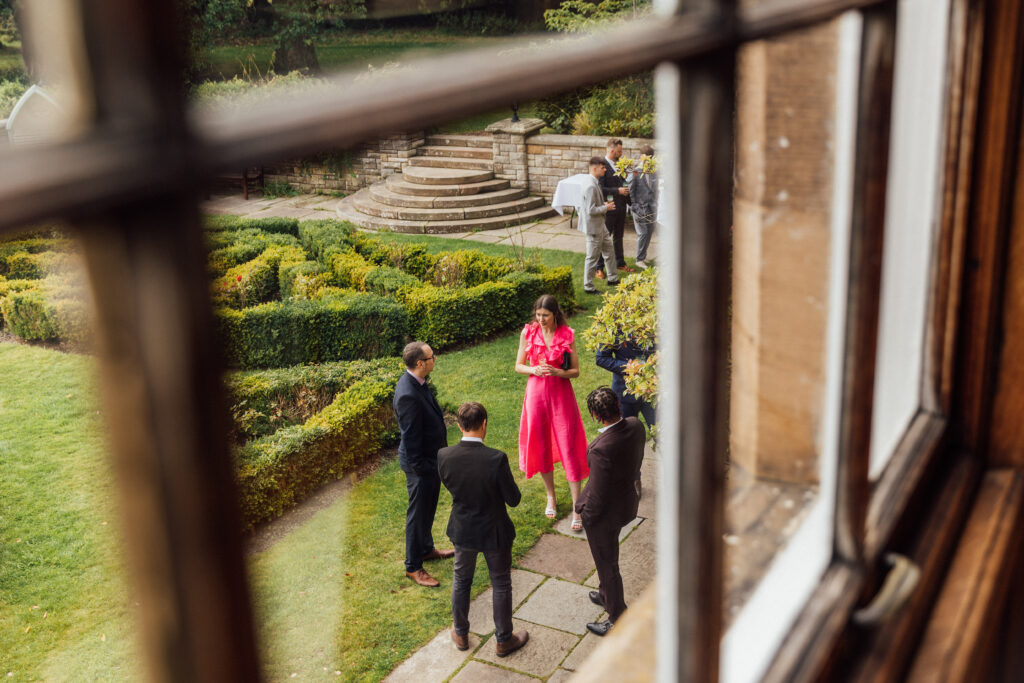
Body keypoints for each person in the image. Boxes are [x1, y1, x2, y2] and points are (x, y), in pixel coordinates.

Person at [438, 402, 529, 657]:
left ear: (459, 425)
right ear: (485, 424)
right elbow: (513, 499)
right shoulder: (496, 459)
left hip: (463, 529)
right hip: (494, 532)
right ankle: (503, 639)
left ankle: (461, 633)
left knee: (461, 581)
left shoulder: (444, 456)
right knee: (500, 583)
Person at [515, 294, 590, 531]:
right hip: (536, 394)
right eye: (538, 315)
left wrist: (558, 373)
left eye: (545, 315)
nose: (541, 319)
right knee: (541, 444)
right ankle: (551, 496)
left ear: (555, 314)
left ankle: (578, 505)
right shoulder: (528, 333)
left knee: (568, 444)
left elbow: (576, 371)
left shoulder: (568, 335)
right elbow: (518, 366)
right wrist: (534, 369)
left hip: (561, 396)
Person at [575, 386, 646, 636]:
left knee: (608, 566)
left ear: (595, 415)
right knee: (609, 563)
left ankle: (617, 616)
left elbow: (598, 493)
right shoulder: (636, 426)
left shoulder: (601, 449)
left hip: (606, 515)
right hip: (627, 502)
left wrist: (584, 514)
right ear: (618, 405)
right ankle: (605, 594)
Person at [393, 341, 453, 587]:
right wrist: (422, 468)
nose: (434, 359)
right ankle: (413, 566)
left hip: (431, 460)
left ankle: (427, 549)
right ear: (420, 363)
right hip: (421, 465)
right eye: (431, 357)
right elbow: (410, 437)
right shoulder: (407, 394)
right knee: (417, 514)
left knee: (427, 508)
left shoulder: (417, 382)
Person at [596, 335, 655, 498]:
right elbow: (601, 358)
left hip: (653, 392)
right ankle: (634, 480)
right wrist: (628, 367)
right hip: (624, 392)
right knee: (626, 442)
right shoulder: (613, 325)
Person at [580, 156, 620, 295]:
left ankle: (613, 279)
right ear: (595, 168)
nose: (605, 170)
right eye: (603, 168)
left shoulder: (594, 182)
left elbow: (592, 205)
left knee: (609, 251)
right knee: (592, 257)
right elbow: (590, 210)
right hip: (594, 228)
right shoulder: (590, 185)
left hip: (600, 225)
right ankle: (588, 287)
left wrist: (603, 205)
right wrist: (606, 208)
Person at [595, 137, 632, 279]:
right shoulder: (602, 166)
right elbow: (600, 189)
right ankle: (599, 267)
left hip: (621, 208)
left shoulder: (620, 165)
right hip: (609, 209)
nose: (621, 154)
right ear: (612, 151)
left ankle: (620, 263)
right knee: (605, 238)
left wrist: (630, 203)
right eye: (619, 151)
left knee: (619, 237)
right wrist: (617, 191)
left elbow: (625, 184)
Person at [628, 144, 658, 269]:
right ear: (641, 157)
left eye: (650, 158)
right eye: (646, 158)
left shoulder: (653, 172)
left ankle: (643, 257)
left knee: (649, 232)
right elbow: (630, 191)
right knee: (643, 233)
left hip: (651, 208)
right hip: (638, 208)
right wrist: (635, 207)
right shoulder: (635, 172)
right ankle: (639, 259)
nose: (648, 161)